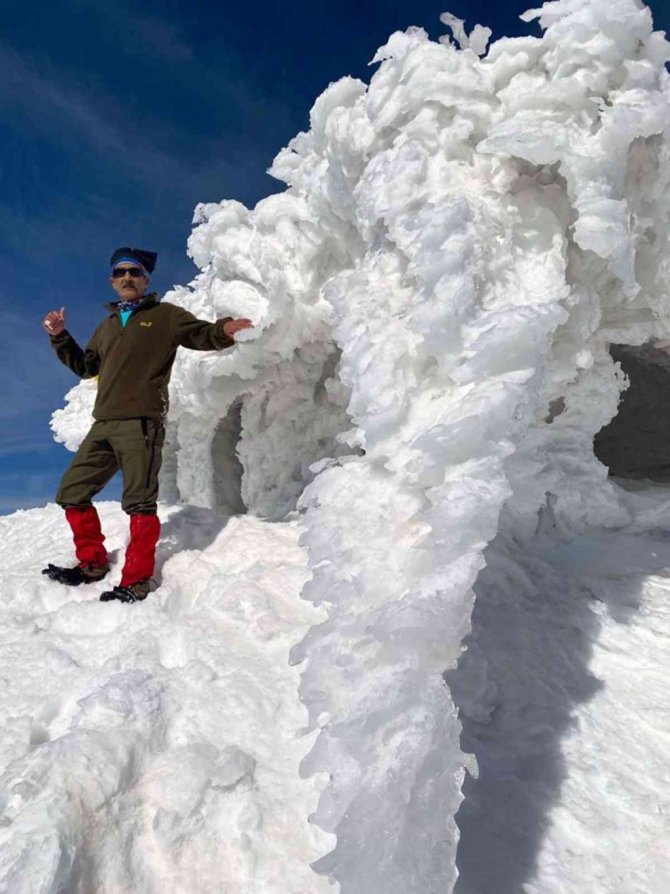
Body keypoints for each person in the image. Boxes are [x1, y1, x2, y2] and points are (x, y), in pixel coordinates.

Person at [41, 246, 253, 604]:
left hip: (141, 421)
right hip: (103, 423)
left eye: (134, 272)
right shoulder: (106, 327)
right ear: (112, 280)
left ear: (145, 279)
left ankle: (137, 581)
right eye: (120, 272)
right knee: (72, 492)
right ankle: (92, 563)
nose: (127, 277)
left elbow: (200, 334)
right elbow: (86, 367)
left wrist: (224, 330)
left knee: (139, 503)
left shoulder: (165, 315)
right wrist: (60, 337)